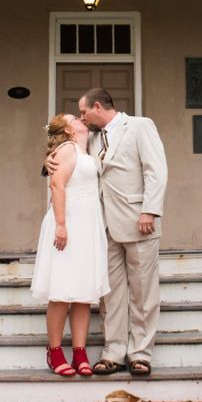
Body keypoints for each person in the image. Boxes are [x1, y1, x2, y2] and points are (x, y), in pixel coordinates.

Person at [49, 88, 168, 376]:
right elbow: (67, 160)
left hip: (139, 221)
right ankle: (113, 352)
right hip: (103, 227)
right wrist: (48, 161)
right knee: (110, 294)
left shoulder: (140, 126)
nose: (81, 117)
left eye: (83, 111)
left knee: (142, 291)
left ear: (98, 106)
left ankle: (140, 353)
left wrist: (149, 210)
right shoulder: (89, 137)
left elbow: (157, 170)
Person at [30, 113, 110, 377]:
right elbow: (57, 184)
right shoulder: (66, 149)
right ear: (67, 129)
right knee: (62, 290)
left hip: (88, 225)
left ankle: (80, 352)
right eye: (73, 118)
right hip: (69, 222)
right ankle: (54, 353)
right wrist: (61, 224)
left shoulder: (90, 143)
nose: (79, 118)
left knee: (83, 293)